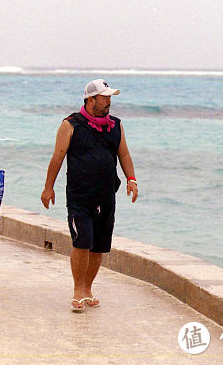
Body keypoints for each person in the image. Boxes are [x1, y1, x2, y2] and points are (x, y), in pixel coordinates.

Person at [40, 79, 139, 312]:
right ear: (91, 99)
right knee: (82, 241)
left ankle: (87, 288)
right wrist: (48, 187)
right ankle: (77, 291)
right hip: (79, 197)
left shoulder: (115, 125)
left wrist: (131, 180)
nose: (109, 102)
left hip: (106, 196)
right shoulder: (71, 124)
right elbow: (57, 157)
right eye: (105, 98)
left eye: (110, 98)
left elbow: (124, 154)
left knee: (99, 246)